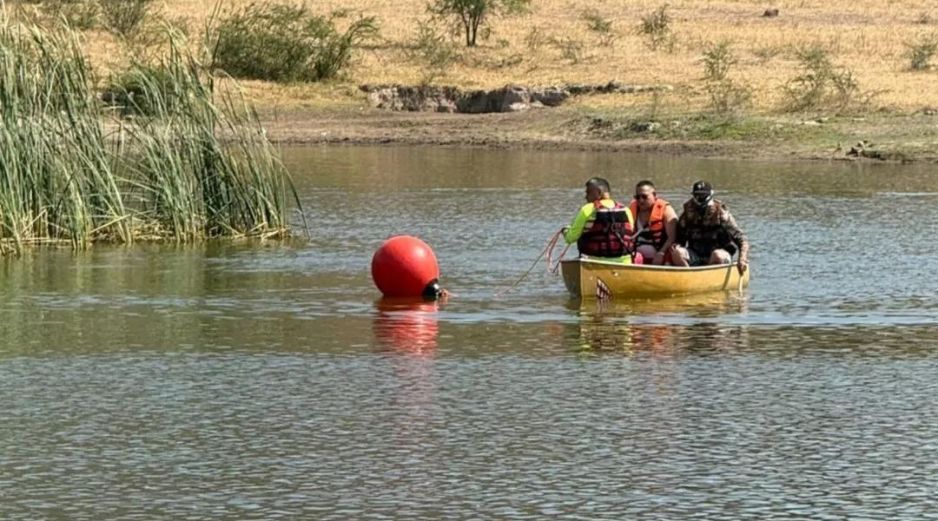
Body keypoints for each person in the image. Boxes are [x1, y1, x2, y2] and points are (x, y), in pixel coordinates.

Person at [671, 181, 749, 274]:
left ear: (710, 195)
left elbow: (741, 239)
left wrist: (742, 259)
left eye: (703, 195)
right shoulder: (687, 213)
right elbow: (680, 238)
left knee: (717, 255)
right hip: (696, 254)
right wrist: (676, 246)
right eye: (697, 195)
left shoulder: (721, 214)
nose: (699, 198)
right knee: (676, 252)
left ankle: (710, 278)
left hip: (719, 255)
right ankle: (688, 277)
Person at [562, 177, 635, 263]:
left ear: (599, 193)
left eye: (588, 192)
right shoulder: (625, 209)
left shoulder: (587, 209)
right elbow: (631, 233)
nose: (585, 197)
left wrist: (565, 231)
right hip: (624, 262)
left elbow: (570, 238)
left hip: (594, 261)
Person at [630, 180, 678, 265]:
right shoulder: (632, 209)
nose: (641, 200)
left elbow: (672, 238)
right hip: (638, 255)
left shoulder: (666, 210)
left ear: (654, 195)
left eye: (644, 197)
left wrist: (661, 253)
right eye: (638, 197)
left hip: (660, 254)